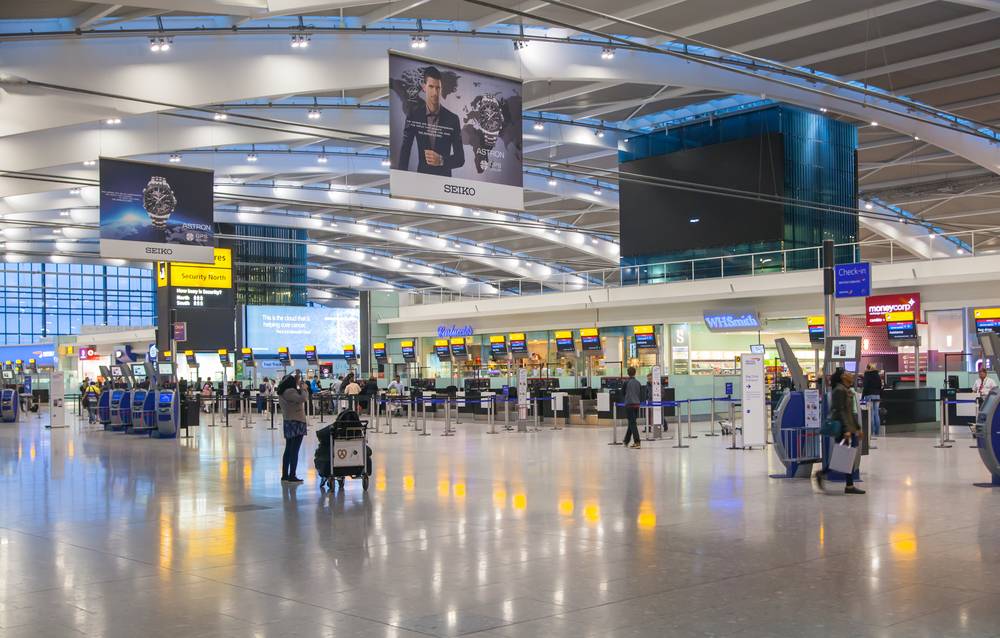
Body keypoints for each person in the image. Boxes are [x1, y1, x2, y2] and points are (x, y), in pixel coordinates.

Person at [395, 66, 465, 176]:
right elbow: (405, 150)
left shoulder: (453, 119)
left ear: (441, 88)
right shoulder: (413, 115)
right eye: (431, 87)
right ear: (424, 87)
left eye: (438, 88)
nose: (435, 93)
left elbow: (460, 159)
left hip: (444, 182)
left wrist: (441, 160)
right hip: (422, 179)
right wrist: (401, 179)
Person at [816, 368, 866, 495]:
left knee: (847, 457)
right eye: (846, 373)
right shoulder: (839, 390)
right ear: (842, 377)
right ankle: (824, 474)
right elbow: (840, 411)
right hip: (845, 429)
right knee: (845, 456)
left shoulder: (846, 390)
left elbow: (849, 412)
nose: (849, 374)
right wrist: (847, 430)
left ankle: (848, 485)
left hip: (849, 428)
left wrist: (858, 428)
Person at [277, 374, 308, 483]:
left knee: (289, 449)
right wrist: (304, 389)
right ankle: (292, 475)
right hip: (296, 422)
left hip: (289, 421)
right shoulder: (290, 392)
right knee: (294, 450)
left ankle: (285, 474)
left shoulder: (283, 392)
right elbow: (303, 398)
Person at [622, 366, 643, 449]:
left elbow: (623, 393)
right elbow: (640, 393)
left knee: (632, 423)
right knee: (632, 422)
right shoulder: (638, 382)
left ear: (628, 373)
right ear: (635, 373)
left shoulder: (626, 383)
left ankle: (637, 442)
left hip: (629, 405)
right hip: (637, 405)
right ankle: (626, 440)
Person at [862, 364, 883, 436]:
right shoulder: (877, 375)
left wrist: (862, 397)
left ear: (867, 368)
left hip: (869, 396)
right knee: (876, 413)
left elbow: (865, 387)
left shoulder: (867, 375)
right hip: (877, 396)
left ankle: (871, 432)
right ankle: (877, 432)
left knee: (871, 414)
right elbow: (880, 386)